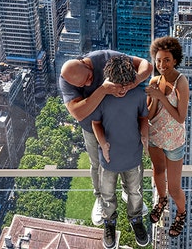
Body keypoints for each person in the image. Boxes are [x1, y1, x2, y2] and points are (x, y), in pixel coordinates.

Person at [59, 50, 152, 226]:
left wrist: (131, 83)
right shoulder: (66, 80)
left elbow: (146, 66)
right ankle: (100, 198)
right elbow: (78, 113)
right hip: (92, 127)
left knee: (129, 159)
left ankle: (128, 192)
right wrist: (103, 90)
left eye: (89, 77)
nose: (88, 83)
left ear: (86, 64)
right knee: (97, 164)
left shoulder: (104, 58)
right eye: (82, 85)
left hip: (121, 121)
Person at [91, 55, 150, 248]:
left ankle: (136, 220)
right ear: (110, 80)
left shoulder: (139, 95)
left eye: (127, 84)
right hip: (108, 158)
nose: (123, 89)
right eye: (119, 84)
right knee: (107, 195)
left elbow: (143, 117)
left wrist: (144, 135)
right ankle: (109, 223)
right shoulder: (102, 98)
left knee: (136, 192)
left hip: (133, 154)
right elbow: (96, 123)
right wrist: (103, 143)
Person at [145, 37, 188, 238]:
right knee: (158, 173)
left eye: (167, 60)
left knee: (174, 187)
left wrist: (161, 97)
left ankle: (181, 213)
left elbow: (181, 117)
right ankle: (161, 201)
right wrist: (154, 98)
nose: (162, 65)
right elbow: (150, 115)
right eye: (159, 60)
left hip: (174, 140)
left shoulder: (181, 82)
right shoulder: (154, 81)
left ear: (175, 60)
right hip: (155, 136)